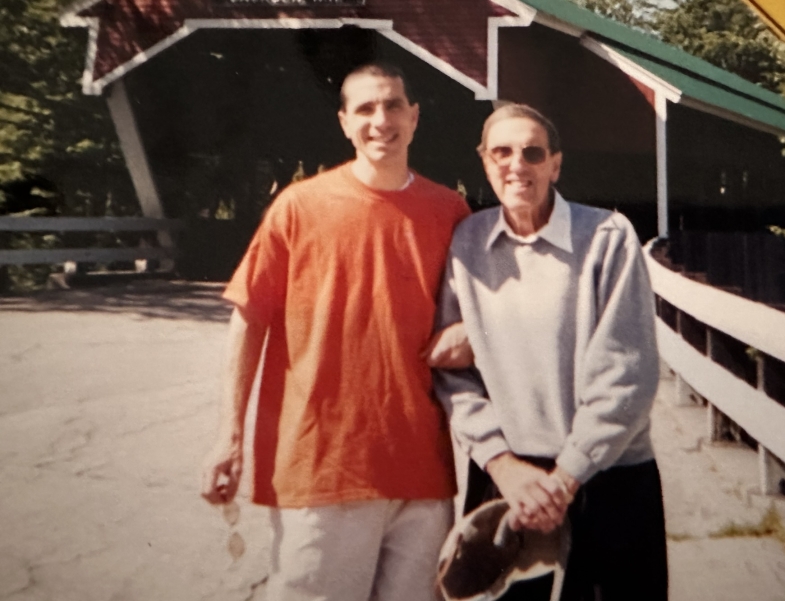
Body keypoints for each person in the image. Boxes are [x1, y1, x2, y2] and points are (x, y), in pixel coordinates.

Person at [200, 62, 472, 601]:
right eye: (366, 109)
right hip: (322, 469)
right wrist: (229, 435)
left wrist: (472, 330)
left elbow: (484, 311)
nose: (381, 120)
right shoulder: (299, 207)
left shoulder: (451, 212)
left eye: (394, 105)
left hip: (423, 472)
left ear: (414, 117)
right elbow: (248, 319)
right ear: (344, 123)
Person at [434, 104, 667, 600]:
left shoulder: (606, 237)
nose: (516, 165)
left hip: (605, 480)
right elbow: (453, 374)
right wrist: (501, 464)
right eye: (502, 152)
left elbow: (628, 375)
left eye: (532, 153)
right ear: (484, 162)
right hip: (507, 480)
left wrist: (564, 480)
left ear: (555, 165)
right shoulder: (468, 242)